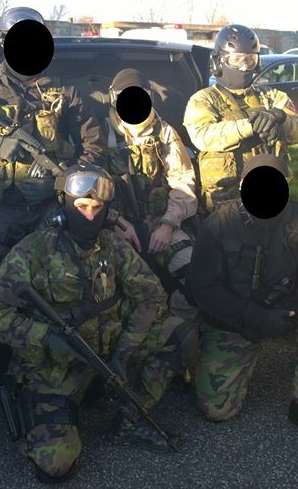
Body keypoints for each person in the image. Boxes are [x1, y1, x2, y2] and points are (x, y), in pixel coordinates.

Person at [0, 6, 109, 397]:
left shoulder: (65, 93)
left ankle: (64, 361)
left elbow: (94, 146)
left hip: (51, 208)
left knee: (68, 286)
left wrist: (65, 179)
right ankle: (3, 364)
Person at [0, 163, 178, 483]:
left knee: (179, 332)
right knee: (56, 465)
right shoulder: (32, 251)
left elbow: (151, 297)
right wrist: (46, 336)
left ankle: (128, 420)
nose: (89, 216)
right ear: (64, 204)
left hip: (108, 352)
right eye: (82, 206)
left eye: (97, 208)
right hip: (55, 365)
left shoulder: (113, 247)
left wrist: (124, 351)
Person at [187, 154, 298, 445]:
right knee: (216, 410)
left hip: (287, 315)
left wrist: (285, 313)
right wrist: (255, 317)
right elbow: (205, 288)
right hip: (235, 323)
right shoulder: (218, 225)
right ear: (242, 186)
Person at [103, 68, 201, 381]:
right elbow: (87, 187)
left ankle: (176, 338)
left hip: (160, 224)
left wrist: (168, 224)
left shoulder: (165, 132)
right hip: (115, 230)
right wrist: (115, 221)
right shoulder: (99, 133)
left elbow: (183, 183)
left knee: (196, 277)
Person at [184, 24, 298, 213]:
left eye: (250, 60)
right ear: (219, 61)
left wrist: (281, 118)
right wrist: (250, 126)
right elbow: (203, 135)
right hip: (226, 203)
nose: (244, 66)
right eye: (236, 59)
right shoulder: (203, 99)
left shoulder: (271, 96)